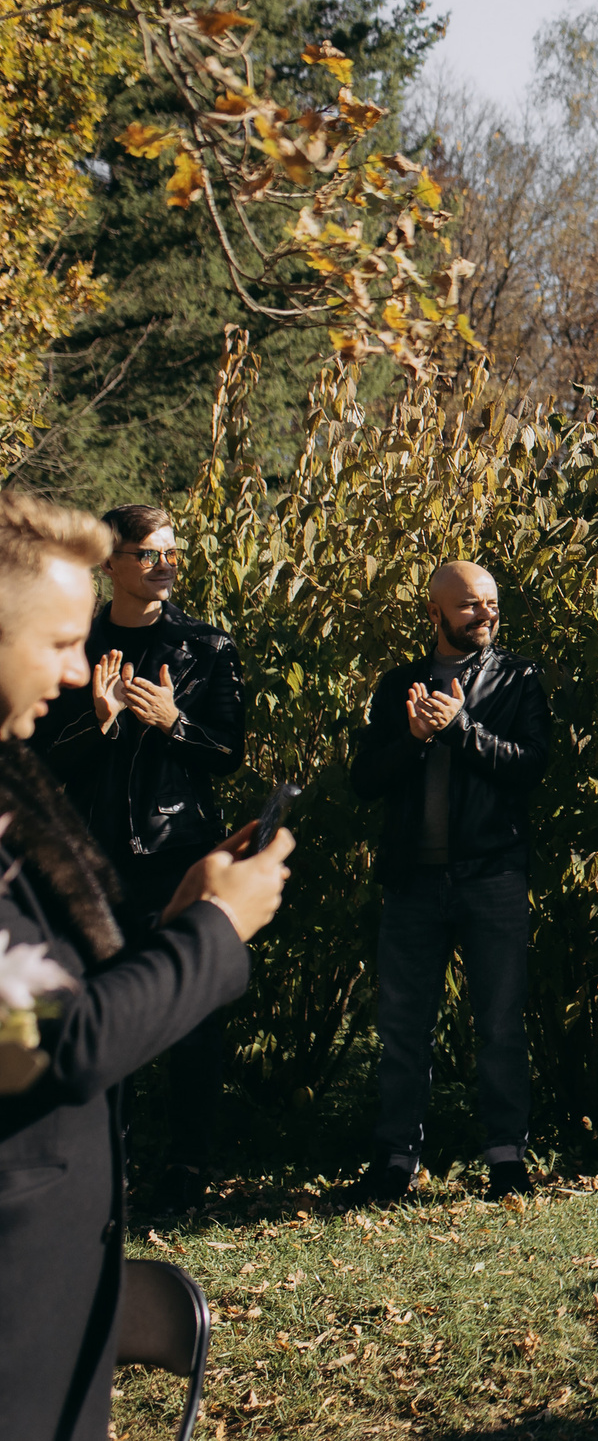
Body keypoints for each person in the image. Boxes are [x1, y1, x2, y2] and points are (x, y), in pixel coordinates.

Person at [0, 490, 293, 1441]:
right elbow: (52, 1038)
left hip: (55, 1296)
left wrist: (172, 921)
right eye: (56, 643)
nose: (80, 667)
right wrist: (215, 929)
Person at [33, 503, 245, 1208]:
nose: (165, 565)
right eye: (149, 553)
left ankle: (187, 1166)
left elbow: (228, 754)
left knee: (189, 1012)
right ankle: (107, 1168)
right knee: (94, 1008)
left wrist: (172, 721)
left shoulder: (206, 646)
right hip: (89, 859)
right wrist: (98, 722)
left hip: (176, 851)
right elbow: (41, 764)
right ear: (112, 564)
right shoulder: (75, 642)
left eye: (172, 551)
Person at [349, 559, 552, 1202]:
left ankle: (505, 1159)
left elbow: (531, 766)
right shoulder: (398, 685)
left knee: (499, 1022)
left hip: (491, 872)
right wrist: (412, 736)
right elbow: (365, 779)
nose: (485, 614)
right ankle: (395, 1159)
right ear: (435, 612)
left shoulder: (519, 678)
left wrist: (460, 732)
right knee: (403, 1025)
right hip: (413, 879)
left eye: (491, 602)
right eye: (470, 605)